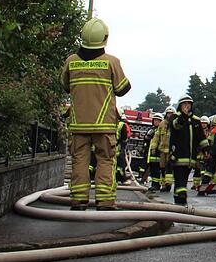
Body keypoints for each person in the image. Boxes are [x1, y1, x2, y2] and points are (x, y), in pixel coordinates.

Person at [60, 18, 131, 211]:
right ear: (104, 38)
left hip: (78, 125)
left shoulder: (71, 62)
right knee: (105, 161)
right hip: (104, 125)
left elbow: (65, 85)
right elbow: (123, 88)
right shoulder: (111, 62)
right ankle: (105, 202)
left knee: (79, 162)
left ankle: (78, 202)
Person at [168, 96, 208, 206]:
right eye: (184, 104)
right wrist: (184, 116)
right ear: (180, 106)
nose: (187, 106)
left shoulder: (196, 120)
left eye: (189, 104)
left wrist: (206, 149)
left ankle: (178, 199)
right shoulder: (176, 117)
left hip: (191, 158)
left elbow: (201, 137)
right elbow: (176, 126)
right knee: (180, 177)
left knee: (183, 179)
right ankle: (182, 196)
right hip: (178, 155)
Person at [146, 112, 165, 191]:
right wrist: (148, 136)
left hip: (159, 153)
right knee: (153, 170)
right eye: (155, 120)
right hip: (152, 153)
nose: (156, 122)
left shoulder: (163, 130)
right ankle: (155, 184)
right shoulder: (151, 129)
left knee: (160, 170)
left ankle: (161, 185)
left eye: (158, 120)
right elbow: (146, 140)